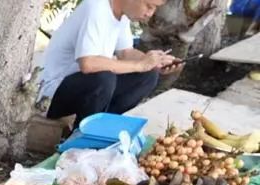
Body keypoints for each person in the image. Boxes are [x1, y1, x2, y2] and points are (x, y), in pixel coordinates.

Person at [41, 0, 182, 128]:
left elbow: (126, 53)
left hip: (83, 89)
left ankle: (103, 127)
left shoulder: (121, 14)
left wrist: (154, 62)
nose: (150, 14)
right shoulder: (96, 8)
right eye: (149, 6)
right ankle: (82, 137)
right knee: (104, 78)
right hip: (50, 95)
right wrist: (141, 65)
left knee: (148, 75)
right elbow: (88, 63)